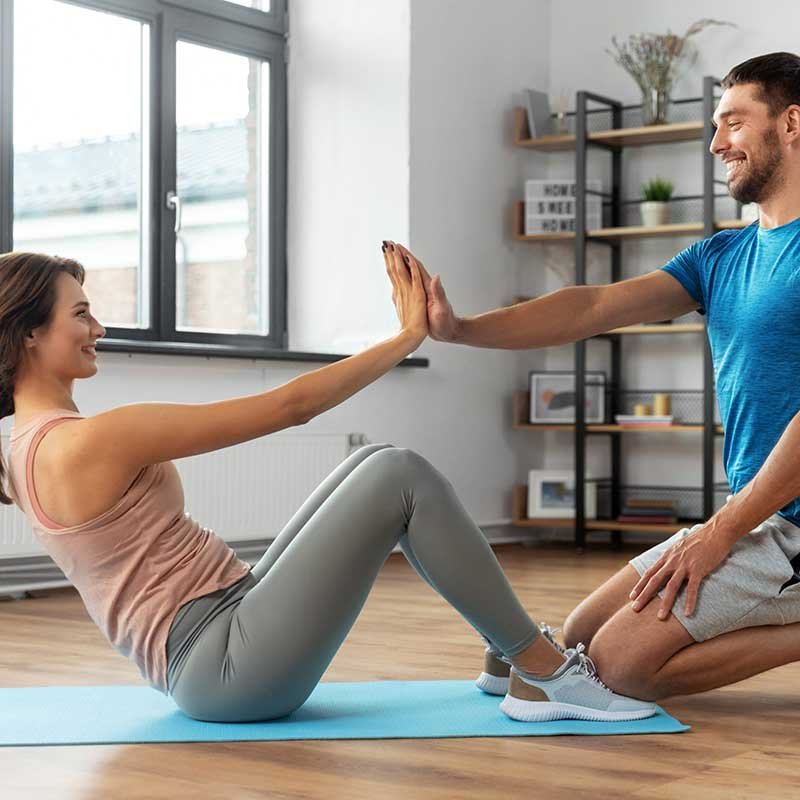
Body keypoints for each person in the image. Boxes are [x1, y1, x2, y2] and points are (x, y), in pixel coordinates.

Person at [0, 246, 655, 723]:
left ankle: (504, 654)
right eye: (81, 314)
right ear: (29, 332)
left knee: (374, 464)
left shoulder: (25, 446)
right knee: (399, 476)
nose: (98, 329)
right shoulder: (86, 442)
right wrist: (407, 337)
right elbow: (292, 407)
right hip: (227, 667)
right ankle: (541, 672)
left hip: (226, 632)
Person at [403, 51, 800, 703]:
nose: (715, 143)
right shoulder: (721, 255)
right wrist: (461, 330)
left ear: (790, 123)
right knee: (575, 643)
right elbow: (590, 307)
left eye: (732, 122)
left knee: (615, 672)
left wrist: (720, 533)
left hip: (787, 525)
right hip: (758, 517)